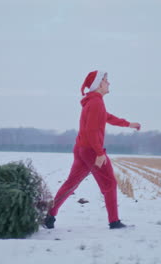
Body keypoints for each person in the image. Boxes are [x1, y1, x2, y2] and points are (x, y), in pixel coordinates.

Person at [44, 70, 141, 229]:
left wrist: (129, 124)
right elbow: (91, 131)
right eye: (105, 80)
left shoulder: (93, 101)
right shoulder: (96, 102)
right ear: (98, 84)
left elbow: (107, 117)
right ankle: (114, 221)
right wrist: (99, 153)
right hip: (91, 150)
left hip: (81, 148)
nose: (108, 83)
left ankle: (50, 216)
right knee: (109, 184)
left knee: (71, 184)